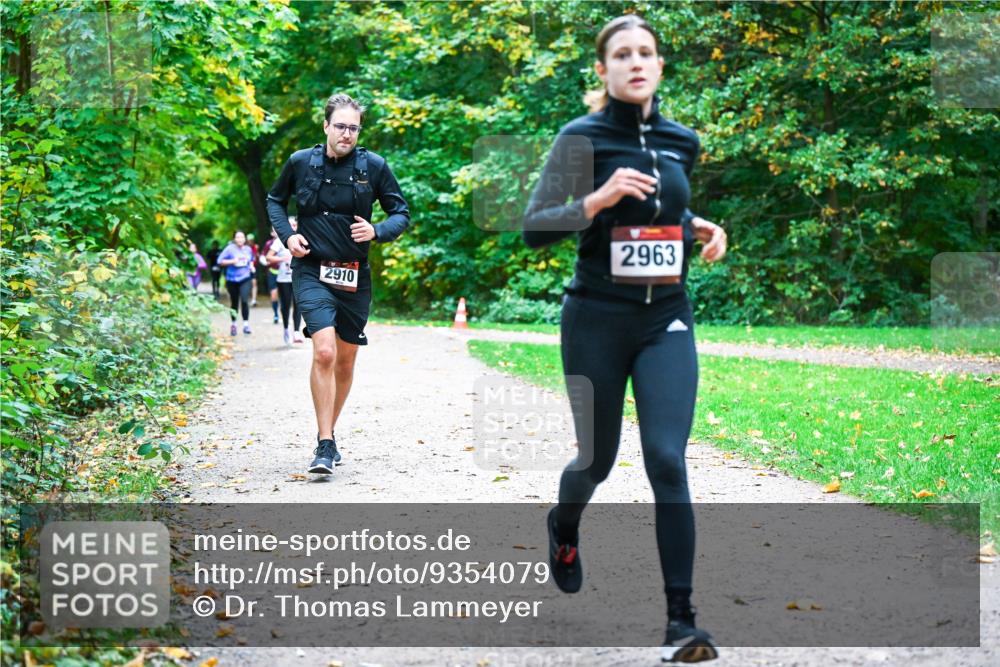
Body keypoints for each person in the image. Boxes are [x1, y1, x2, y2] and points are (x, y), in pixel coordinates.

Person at [522, 15, 727, 664]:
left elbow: (665, 208)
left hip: (665, 315)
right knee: (595, 461)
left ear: (661, 66)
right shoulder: (579, 139)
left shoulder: (681, 140)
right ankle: (565, 525)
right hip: (597, 317)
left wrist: (698, 227)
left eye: (646, 53)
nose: (636, 62)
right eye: (622, 54)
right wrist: (597, 198)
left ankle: (682, 623)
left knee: (667, 458)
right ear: (603, 70)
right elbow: (534, 228)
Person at [267, 93, 410, 474]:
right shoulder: (300, 162)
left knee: (345, 361)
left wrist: (377, 231)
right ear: (326, 126)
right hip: (312, 269)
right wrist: (287, 236)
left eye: (354, 128)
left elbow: (401, 212)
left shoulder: (374, 167)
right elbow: (275, 201)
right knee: (325, 352)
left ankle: (330, 434)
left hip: (353, 275)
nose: (347, 134)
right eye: (341, 126)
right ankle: (325, 442)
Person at [266, 217, 304, 346]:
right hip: (283, 279)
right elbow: (268, 257)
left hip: (298, 278)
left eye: (294, 224)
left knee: (298, 304)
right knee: (286, 305)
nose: (293, 227)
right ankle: (286, 329)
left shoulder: (302, 239)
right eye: (290, 225)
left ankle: (297, 332)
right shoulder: (279, 241)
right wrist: (282, 258)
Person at [216, 230, 256, 336]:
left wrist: (251, 266)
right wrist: (232, 261)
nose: (240, 239)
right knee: (234, 302)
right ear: (234, 239)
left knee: (244, 300)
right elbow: (219, 261)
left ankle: (246, 325)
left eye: (242, 237)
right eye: (237, 237)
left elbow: (251, 260)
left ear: (245, 239)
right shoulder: (229, 249)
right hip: (232, 279)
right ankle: (233, 325)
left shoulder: (248, 249)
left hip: (245, 278)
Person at [261, 229, 281, 324]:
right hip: (273, 271)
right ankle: (276, 314)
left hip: (287, 273)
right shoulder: (269, 244)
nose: (276, 232)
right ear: (271, 233)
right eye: (274, 231)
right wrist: (267, 262)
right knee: (274, 293)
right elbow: (263, 256)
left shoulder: (288, 241)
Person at [247, 232, 260, 306]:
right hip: (246, 268)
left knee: (254, 283)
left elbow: (257, 257)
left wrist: (257, 252)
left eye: (251, 240)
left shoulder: (256, 246)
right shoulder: (244, 248)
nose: (250, 241)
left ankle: (254, 300)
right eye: (249, 240)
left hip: (254, 268)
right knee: (248, 284)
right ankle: (247, 298)